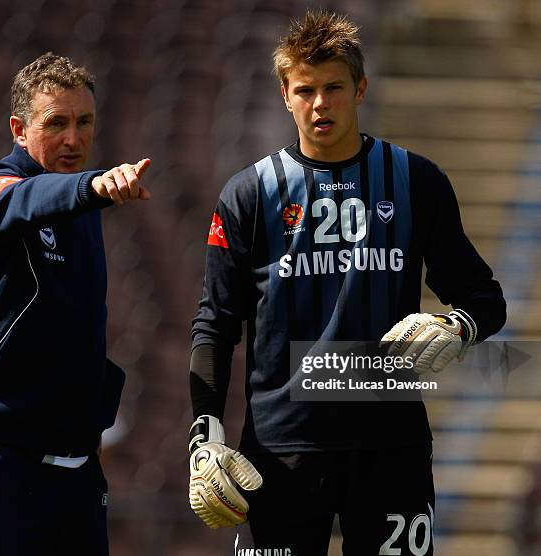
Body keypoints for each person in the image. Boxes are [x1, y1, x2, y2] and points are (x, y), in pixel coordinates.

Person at [187, 10, 506, 555]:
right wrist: (204, 436)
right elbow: (215, 326)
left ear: (360, 88)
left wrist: (458, 325)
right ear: (284, 94)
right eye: (305, 90)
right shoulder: (248, 193)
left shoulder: (415, 180)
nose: (319, 104)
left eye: (333, 87)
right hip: (280, 451)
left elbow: (485, 298)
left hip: (391, 448)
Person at [0, 52, 150, 556]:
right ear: (19, 129)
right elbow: (24, 200)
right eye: (56, 123)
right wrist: (92, 185)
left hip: (76, 475)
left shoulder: (81, 212)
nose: (74, 140)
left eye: (84, 122)